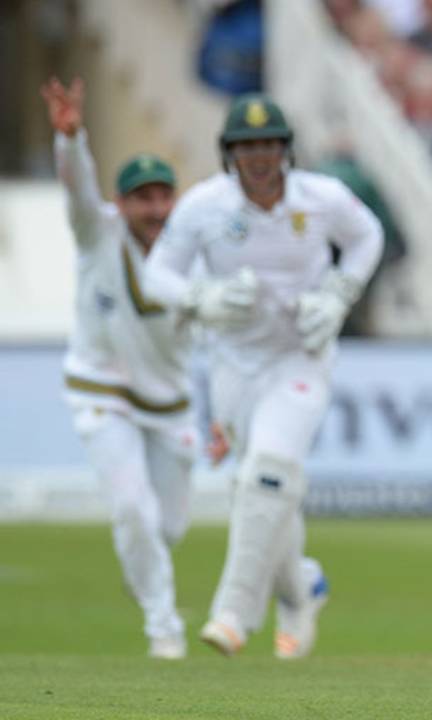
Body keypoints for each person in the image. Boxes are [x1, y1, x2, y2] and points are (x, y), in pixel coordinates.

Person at [143, 94, 384, 659]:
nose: (259, 157)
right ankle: (301, 590)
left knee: (270, 470)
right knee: (260, 487)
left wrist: (339, 294)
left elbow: (367, 235)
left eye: (269, 144)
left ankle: (234, 611)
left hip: (301, 354)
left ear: (285, 149)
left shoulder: (320, 197)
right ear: (230, 154)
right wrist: (202, 298)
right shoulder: (205, 206)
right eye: (247, 146)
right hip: (232, 365)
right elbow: (158, 275)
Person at [41, 77, 195, 660]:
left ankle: (146, 573)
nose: (154, 209)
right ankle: (164, 626)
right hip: (100, 390)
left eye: (163, 197)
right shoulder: (96, 231)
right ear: (122, 202)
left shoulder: (189, 245)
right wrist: (71, 141)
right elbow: (77, 191)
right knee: (132, 506)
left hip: (171, 401)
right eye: (142, 198)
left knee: (165, 529)